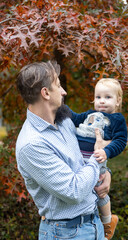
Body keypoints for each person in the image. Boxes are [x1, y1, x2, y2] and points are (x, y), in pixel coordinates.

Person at [16, 61, 112, 240]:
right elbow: (73, 191)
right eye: (58, 86)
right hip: (65, 233)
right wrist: (97, 157)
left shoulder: (64, 121)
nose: (64, 91)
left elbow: (82, 163)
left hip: (94, 224)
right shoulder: (32, 144)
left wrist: (106, 173)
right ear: (45, 93)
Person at [69, 78, 128, 240]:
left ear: (118, 101)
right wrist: (61, 108)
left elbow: (121, 141)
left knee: (99, 191)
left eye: (108, 97)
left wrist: (107, 151)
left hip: (97, 159)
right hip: (81, 161)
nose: (102, 101)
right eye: (98, 97)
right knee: (84, 188)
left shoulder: (117, 119)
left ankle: (108, 221)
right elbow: (74, 118)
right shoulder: (89, 114)